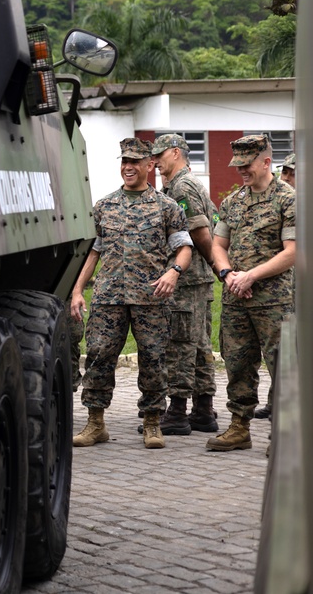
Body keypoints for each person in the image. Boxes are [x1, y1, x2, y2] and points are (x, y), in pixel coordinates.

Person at [70, 138, 193, 449]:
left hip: (151, 298)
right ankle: (95, 423)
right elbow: (93, 252)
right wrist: (77, 290)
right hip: (108, 296)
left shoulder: (167, 207)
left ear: (149, 165)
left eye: (135, 162)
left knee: (153, 360)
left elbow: (184, 249)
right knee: (98, 357)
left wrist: (173, 273)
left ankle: (152, 423)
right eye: (124, 161)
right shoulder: (104, 206)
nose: (128, 167)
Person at [207, 135, 295, 451]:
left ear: (266, 161)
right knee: (237, 362)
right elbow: (218, 245)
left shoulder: (288, 199)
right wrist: (228, 273)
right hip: (236, 299)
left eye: (247, 165)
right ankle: (239, 427)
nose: (241, 171)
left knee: (282, 364)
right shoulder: (233, 201)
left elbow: (293, 251)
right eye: (238, 165)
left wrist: (251, 276)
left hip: (274, 300)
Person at [144, 134, 220, 434]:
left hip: (187, 279)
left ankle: (177, 412)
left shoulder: (182, 186)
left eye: (160, 155)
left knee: (180, 344)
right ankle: (203, 410)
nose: (156, 161)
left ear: (176, 153)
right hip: (197, 279)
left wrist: (218, 267)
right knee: (200, 344)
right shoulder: (189, 182)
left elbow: (200, 232)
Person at [254, 151, 296, 420]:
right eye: (286, 171)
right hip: (285, 286)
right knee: (282, 347)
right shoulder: (284, 203)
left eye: (294, 172)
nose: (287, 176)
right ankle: (275, 401)